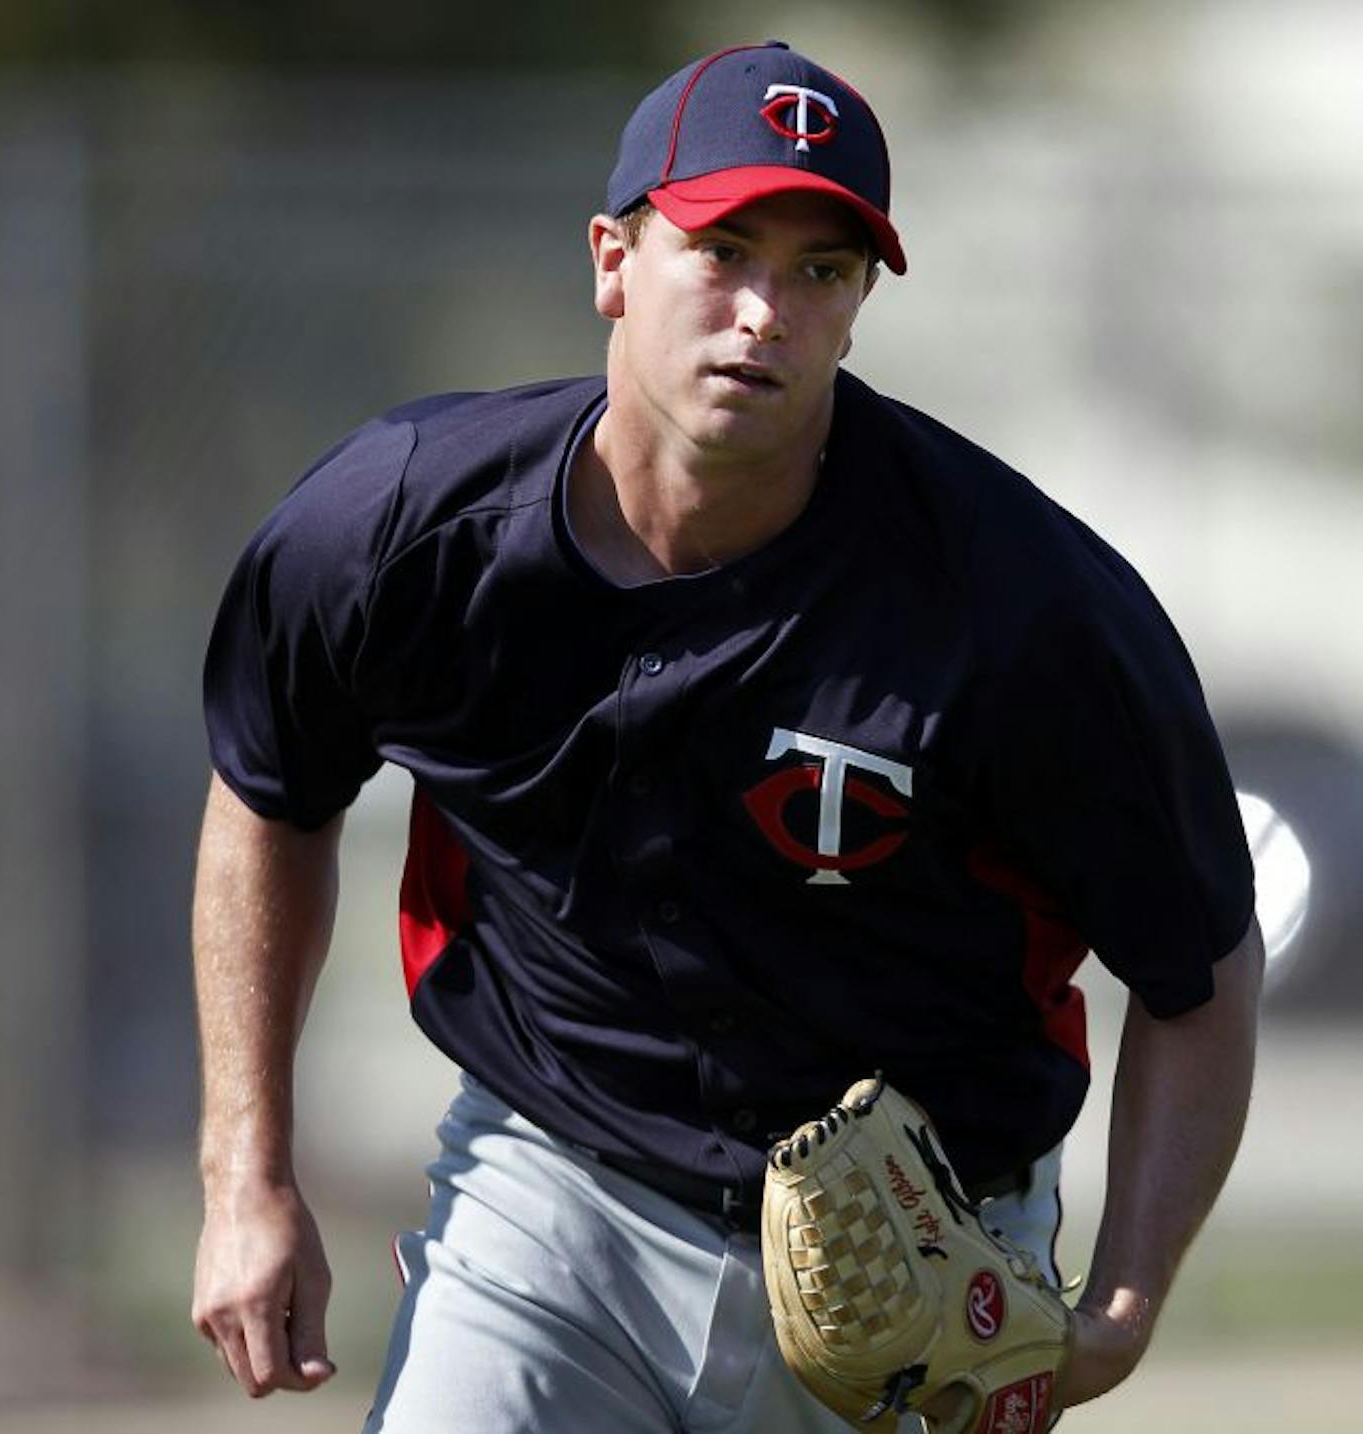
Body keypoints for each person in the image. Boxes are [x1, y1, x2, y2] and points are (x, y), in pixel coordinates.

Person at [189, 39, 1262, 1431]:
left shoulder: (1024, 608)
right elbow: (268, 793)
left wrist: (1116, 1312)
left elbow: (1199, 967)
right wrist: (245, 1177)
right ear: (612, 261)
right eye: (725, 248)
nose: (765, 310)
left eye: (821, 270)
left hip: (918, 1262)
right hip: (555, 1204)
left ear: (859, 310)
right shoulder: (400, 534)